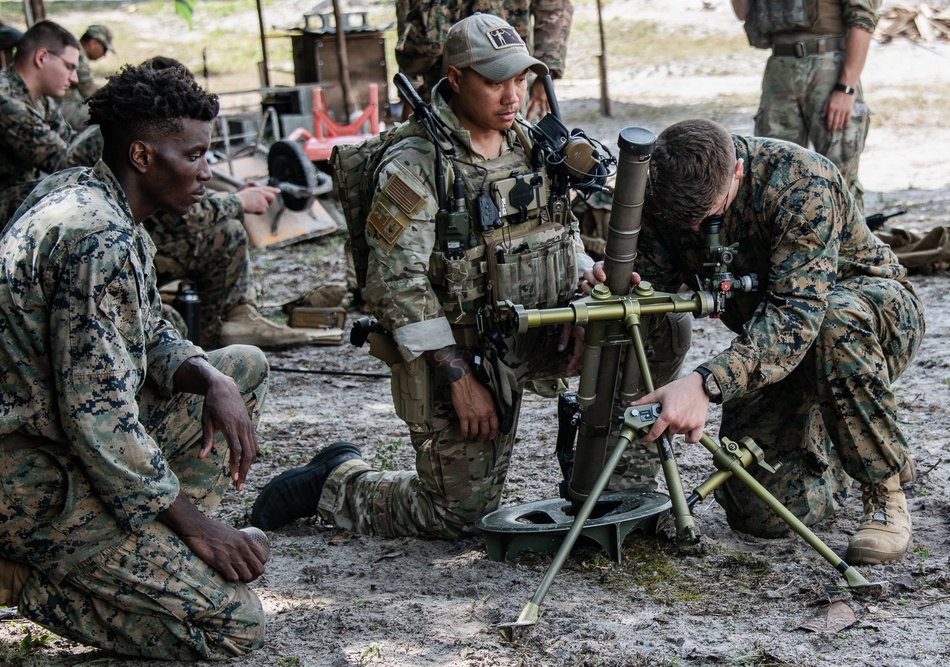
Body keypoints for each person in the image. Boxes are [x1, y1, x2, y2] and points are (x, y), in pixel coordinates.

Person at [251, 14, 688, 538]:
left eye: (521, 80)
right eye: (495, 80)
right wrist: (457, 377)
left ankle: (621, 484)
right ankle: (336, 479)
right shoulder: (417, 163)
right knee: (456, 518)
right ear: (456, 78)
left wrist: (580, 294)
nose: (512, 95)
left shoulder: (529, 141)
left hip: (543, 325)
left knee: (657, 324)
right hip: (466, 352)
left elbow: (562, 230)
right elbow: (394, 284)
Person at [0, 63, 271, 659]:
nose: (207, 173)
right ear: (143, 155)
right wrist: (197, 527)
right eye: (195, 155)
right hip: (27, 475)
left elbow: (147, 332)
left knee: (242, 366)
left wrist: (213, 377)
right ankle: (19, 574)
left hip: (56, 439)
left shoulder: (87, 196)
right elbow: (98, 422)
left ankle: (153, 543)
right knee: (234, 626)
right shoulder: (99, 239)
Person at [616, 118, 923, 565]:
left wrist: (705, 384)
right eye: (686, 223)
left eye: (710, 216)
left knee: (832, 323)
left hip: (868, 322)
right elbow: (655, 287)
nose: (700, 230)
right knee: (758, 514)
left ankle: (885, 488)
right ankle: (844, 437)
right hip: (773, 345)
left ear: (737, 171)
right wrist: (620, 283)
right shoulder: (663, 192)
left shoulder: (799, 181)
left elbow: (797, 315)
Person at [140, 56, 316, 350]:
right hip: (131, 253)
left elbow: (176, 195)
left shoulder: (125, 133)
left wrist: (232, 195)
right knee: (227, 233)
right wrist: (237, 202)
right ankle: (220, 330)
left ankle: (229, 321)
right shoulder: (144, 139)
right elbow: (183, 216)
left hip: (137, 243)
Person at [731, 0, 877, 213]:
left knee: (840, 176)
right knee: (775, 173)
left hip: (829, 68)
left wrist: (846, 88)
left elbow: (863, 19)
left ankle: (850, 244)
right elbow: (742, 12)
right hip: (781, 67)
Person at [395, 0, 573, 119]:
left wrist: (546, 76)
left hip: (509, 74)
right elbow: (410, 21)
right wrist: (411, 89)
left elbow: (554, 8)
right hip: (439, 84)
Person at [0, 20, 99, 224]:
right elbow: (66, 162)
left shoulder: (41, 99)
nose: (74, 79)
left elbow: (71, 142)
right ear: (42, 57)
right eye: (69, 67)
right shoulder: (5, 100)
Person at [58, 24, 115, 131]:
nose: (104, 55)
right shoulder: (77, 55)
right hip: (63, 107)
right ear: (93, 43)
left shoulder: (75, 51)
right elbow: (90, 92)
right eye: (105, 49)